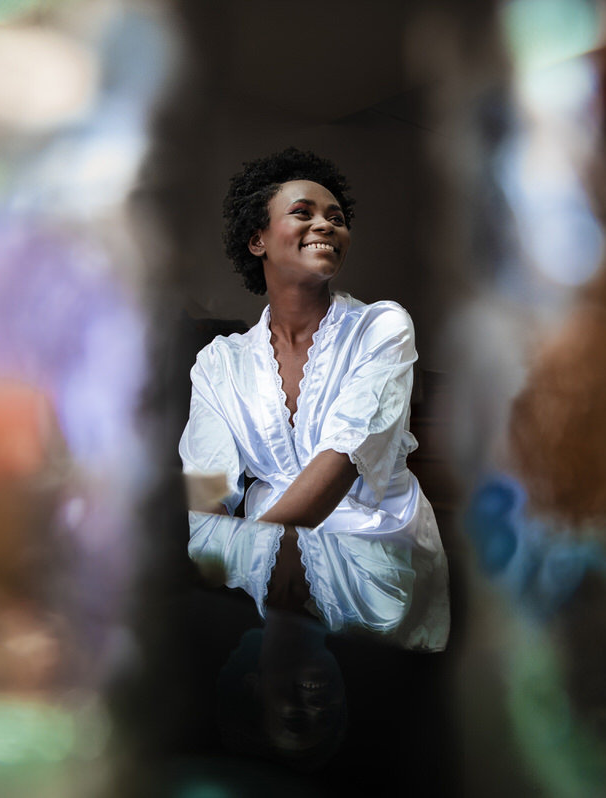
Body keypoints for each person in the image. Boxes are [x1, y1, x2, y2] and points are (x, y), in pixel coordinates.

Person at [179, 148, 449, 651]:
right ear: (257, 240)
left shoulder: (382, 327)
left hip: (371, 541)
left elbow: (345, 457)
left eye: (337, 218)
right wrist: (227, 556)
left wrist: (263, 551)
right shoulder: (219, 362)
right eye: (302, 212)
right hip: (260, 542)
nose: (326, 225)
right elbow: (207, 486)